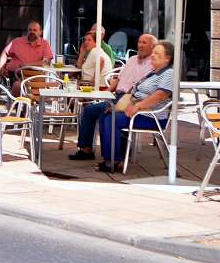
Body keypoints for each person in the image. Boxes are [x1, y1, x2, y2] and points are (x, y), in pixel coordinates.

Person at [70, 33, 155, 160]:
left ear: (153, 47)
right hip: (117, 96)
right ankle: (86, 149)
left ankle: (114, 155)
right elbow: (118, 79)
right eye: (139, 42)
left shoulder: (153, 64)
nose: (140, 45)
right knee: (89, 110)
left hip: (131, 99)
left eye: (144, 43)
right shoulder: (132, 60)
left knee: (107, 115)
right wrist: (107, 93)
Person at [94, 40, 175, 173]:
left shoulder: (169, 73)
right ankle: (111, 157)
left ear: (167, 58)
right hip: (140, 111)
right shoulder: (154, 72)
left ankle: (113, 160)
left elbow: (161, 94)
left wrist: (138, 106)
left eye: (157, 53)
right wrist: (119, 105)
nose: (153, 55)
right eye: (153, 52)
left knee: (111, 120)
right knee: (105, 116)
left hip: (152, 116)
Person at [0, 21, 54, 88]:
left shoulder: (44, 44)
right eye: (30, 30)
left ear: (40, 32)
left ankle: (30, 97)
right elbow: (5, 52)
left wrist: (27, 65)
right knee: (18, 86)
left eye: (35, 30)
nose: (31, 32)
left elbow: (46, 62)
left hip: (35, 76)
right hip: (15, 74)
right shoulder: (17, 42)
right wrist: (1, 67)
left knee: (48, 88)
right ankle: (18, 98)